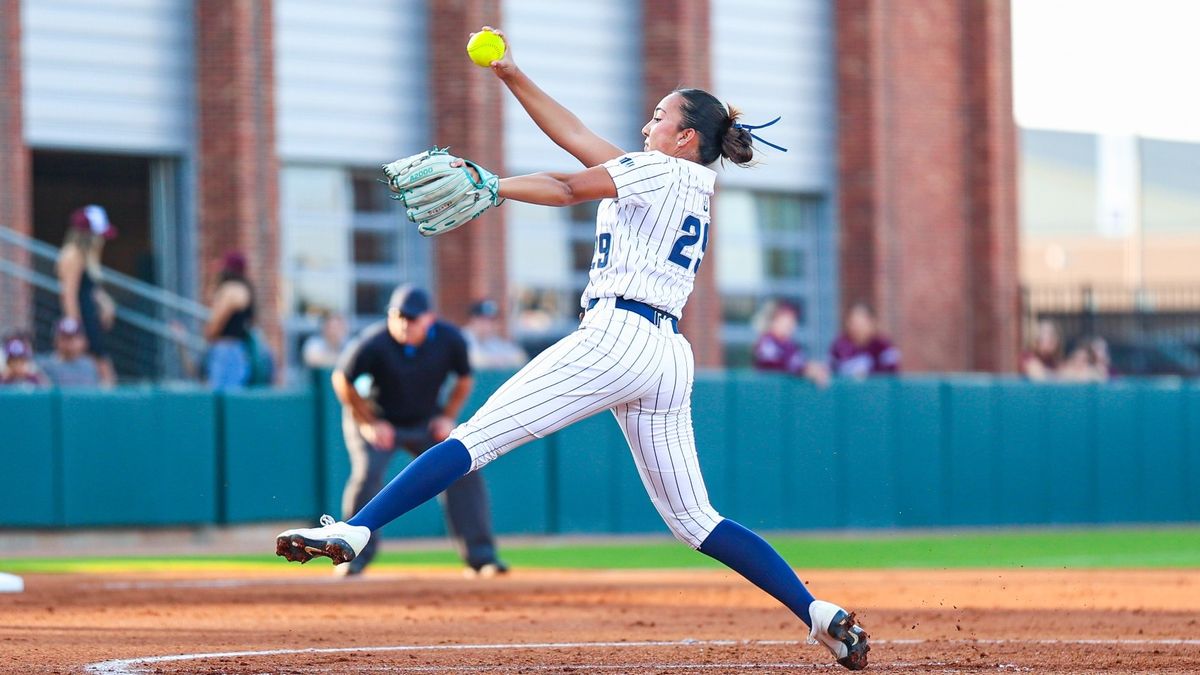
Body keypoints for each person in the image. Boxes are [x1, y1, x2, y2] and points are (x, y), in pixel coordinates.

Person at [277, 26, 869, 671]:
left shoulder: (657, 171)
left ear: (686, 137)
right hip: (666, 353)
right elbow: (577, 138)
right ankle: (819, 614)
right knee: (696, 520)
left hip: (615, 338)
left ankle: (355, 530)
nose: (648, 125)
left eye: (659, 116)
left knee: (476, 440)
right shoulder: (678, 180)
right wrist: (510, 74)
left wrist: (492, 184)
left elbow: (565, 185)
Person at [329, 285, 505, 577]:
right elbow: (342, 380)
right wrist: (369, 422)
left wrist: (448, 417)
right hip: (379, 421)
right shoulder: (375, 342)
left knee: (464, 468)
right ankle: (352, 555)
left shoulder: (450, 340)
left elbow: (463, 379)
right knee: (367, 474)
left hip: (425, 421)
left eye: (411, 318)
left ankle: (481, 557)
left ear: (428, 319)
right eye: (397, 316)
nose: (403, 324)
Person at [56, 205, 117, 385]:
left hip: (90, 321)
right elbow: (69, 295)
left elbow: (91, 289)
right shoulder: (73, 254)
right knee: (102, 371)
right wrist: (76, 330)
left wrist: (106, 303)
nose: (101, 240)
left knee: (102, 370)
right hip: (83, 322)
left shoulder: (86, 256)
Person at [203, 252, 256, 390]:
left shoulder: (231, 289)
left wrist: (209, 333)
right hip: (238, 350)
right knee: (234, 399)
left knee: (221, 398)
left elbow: (216, 323)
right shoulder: (245, 289)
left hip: (226, 350)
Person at [752, 301, 831, 388]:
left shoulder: (790, 345)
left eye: (792, 321)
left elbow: (800, 363)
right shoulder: (766, 342)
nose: (790, 325)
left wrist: (816, 369)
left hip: (784, 395)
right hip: (767, 392)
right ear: (775, 321)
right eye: (786, 320)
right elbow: (777, 365)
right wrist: (807, 370)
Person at [829, 302, 900, 379]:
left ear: (872, 323)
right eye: (853, 322)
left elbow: (891, 377)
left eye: (861, 323)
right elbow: (830, 371)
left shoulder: (884, 347)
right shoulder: (840, 346)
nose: (856, 328)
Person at [462, 299, 527, 370]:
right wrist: (498, 360)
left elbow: (521, 358)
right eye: (483, 320)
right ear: (473, 319)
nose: (488, 325)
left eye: (491, 321)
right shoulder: (462, 337)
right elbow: (468, 360)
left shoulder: (493, 340)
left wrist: (495, 360)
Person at [38, 318, 100, 387]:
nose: (69, 343)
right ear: (55, 341)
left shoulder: (89, 366)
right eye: (64, 338)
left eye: (74, 338)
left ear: (83, 341)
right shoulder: (44, 365)